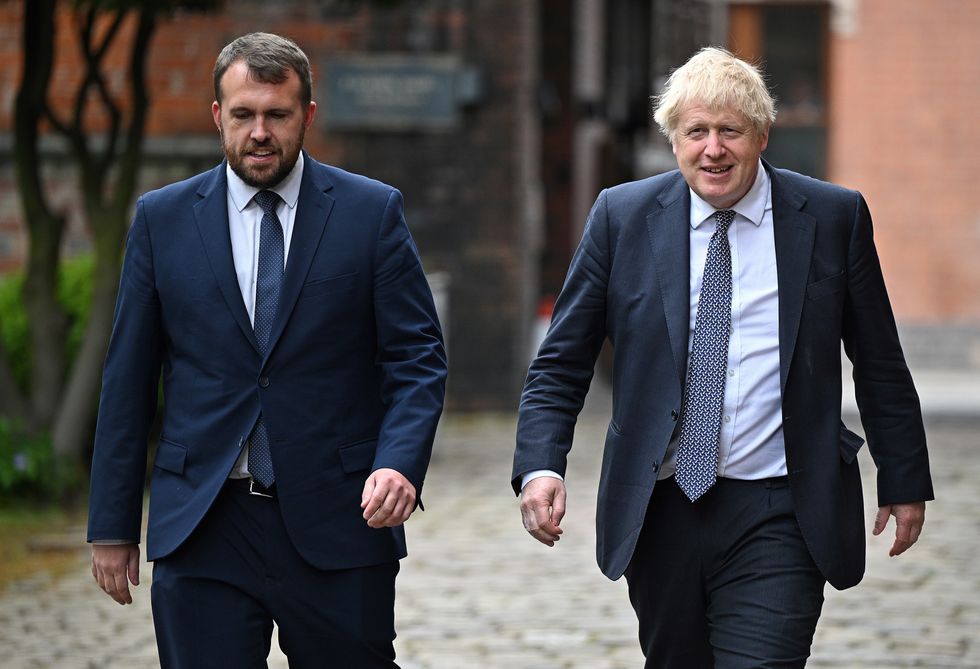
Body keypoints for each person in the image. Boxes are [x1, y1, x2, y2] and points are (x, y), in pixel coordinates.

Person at [512, 47, 933, 668]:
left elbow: (879, 361)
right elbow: (562, 363)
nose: (714, 149)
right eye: (697, 132)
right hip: (664, 506)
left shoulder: (830, 217)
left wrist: (904, 477)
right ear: (674, 139)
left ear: (761, 135)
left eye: (730, 131)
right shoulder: (621, 218)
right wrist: (541, 465)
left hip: (782, 504)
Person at [87, 32, 447, 668]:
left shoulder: (370, 213)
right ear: (217, 116)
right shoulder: (162, 220)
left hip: (341, 519)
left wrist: (400, 463)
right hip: (203, 522)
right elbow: (128, 381)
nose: (260, 132)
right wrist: (113, 527)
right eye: (245, 114)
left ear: (306, 116)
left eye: (277, 115)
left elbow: (416, 358)